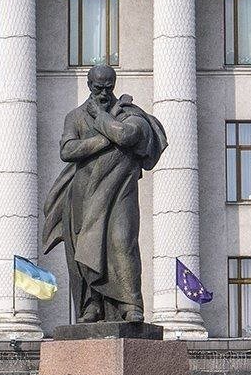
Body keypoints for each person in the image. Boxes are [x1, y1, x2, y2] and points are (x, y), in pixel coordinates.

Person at [42, 65, 167, 323]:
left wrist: (101, 119)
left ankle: (131, 304)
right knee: (86, 249)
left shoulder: (129, 112)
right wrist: (105, 140)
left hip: (120, 191)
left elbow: (128, 135)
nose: (103, 93)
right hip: (83, 195)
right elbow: (67, 150)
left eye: (108, 87)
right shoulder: (76, 116)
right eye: (98, 88)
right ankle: (92, 305)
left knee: (123, 242)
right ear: (89, 85)